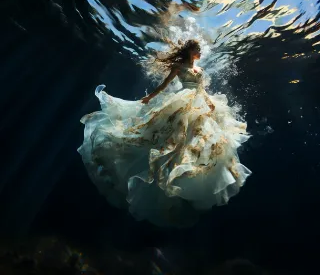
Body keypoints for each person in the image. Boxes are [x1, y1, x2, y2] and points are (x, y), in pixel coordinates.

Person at [78, 39, 251, 227]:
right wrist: (150, 97)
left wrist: (210, 103)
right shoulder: (179, 66)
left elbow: (202, 89)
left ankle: (184, 172)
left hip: (199, 103)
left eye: (200, 49)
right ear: (190, 50)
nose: (200, 51)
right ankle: (161, 168)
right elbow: (165, 84)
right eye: (197, 49)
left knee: (199, 138)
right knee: (168, 135)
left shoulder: (200, 71)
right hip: (182, 101)